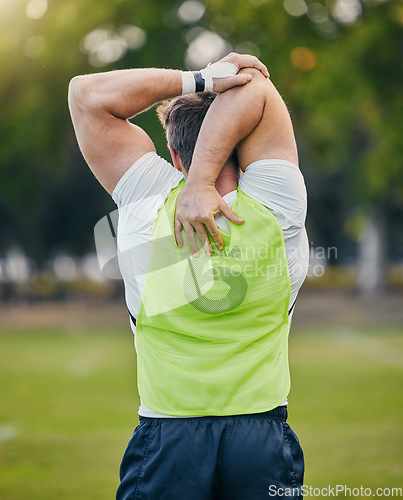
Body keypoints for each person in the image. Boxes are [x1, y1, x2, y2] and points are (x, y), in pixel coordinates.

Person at [68, 52, 309, 500]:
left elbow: (85, 94)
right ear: (243, 144)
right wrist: (204, 178)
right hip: (262, 438)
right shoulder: (280, 207)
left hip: (168, 441)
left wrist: (200, 80)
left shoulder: (148, 201)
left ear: (174, 154)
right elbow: (257, 88)